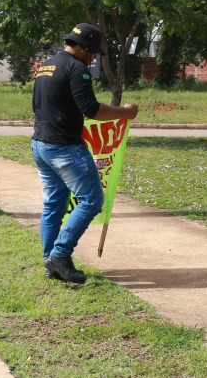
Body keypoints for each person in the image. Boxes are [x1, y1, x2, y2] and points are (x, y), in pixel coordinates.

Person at [31, 23, 138, 283]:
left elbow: (38, 105)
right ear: (81, 48)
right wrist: (125, 111)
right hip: (65, 147)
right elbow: (91, 109)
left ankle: (51, 263)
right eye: (91, 53)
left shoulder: (46, 65)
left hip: (40, 145)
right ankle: (59, 255)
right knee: (92, 200)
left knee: (54, 205)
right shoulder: (76, 68)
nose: (92, 58)